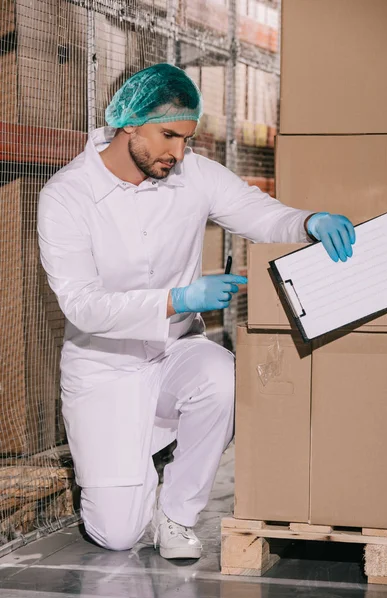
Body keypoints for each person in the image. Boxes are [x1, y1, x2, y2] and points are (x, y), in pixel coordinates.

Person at [38, 63, 355, 560]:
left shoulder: (193, 174)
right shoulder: (67, 196)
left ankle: (177, 514)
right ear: (128, 123)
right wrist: (178, 299)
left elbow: (257, 212)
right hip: (105, 368)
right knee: (118, 534)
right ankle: (131, 463)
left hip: (173, 354)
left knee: (221, 373)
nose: (177, 153)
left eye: (186, 139)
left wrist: (308, 221)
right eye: (167, 136)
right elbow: (82, 305)